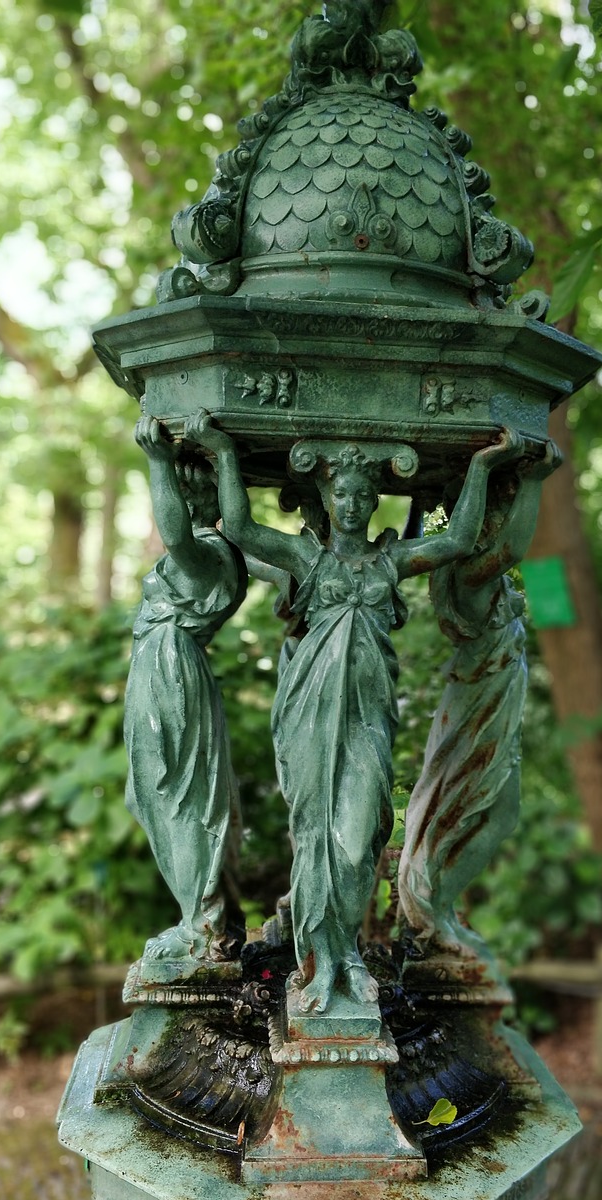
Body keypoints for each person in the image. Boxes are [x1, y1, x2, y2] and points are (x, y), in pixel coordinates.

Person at [184, 410, 521, 1012]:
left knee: (360, 832)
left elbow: (455, 540)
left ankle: (343, 948)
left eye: (366, 494)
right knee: (315, 833)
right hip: (311, 714)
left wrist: (483, 466)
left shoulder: (387, 563)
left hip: (367, 717)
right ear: (326, 493)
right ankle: (322, 963)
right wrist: (220, 452)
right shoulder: (307, 561)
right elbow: (237, 524)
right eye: (342, 491)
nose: (354, 503)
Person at [398, 444, 561, 957]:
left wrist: (419, 507)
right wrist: (535, 479)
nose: (501, 520)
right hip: (477, 706)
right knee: (472, 810)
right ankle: (428, 908)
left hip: (494, 705)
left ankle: (434, 908)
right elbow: (511, 551)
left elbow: (541, 584)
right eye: (493, 513)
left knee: (495, 812)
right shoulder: (468, 578)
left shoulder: (484, 578)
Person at [124, 411, 247, 967]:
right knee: (152, 794)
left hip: (171, 671)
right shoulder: (210, 554)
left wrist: (157, 463)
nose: (180, 491)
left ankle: (202, 923)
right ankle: (200, 915)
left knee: (180, 796)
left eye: (186, 485)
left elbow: (173, 534)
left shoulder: (210, 555)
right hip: (158, 668)